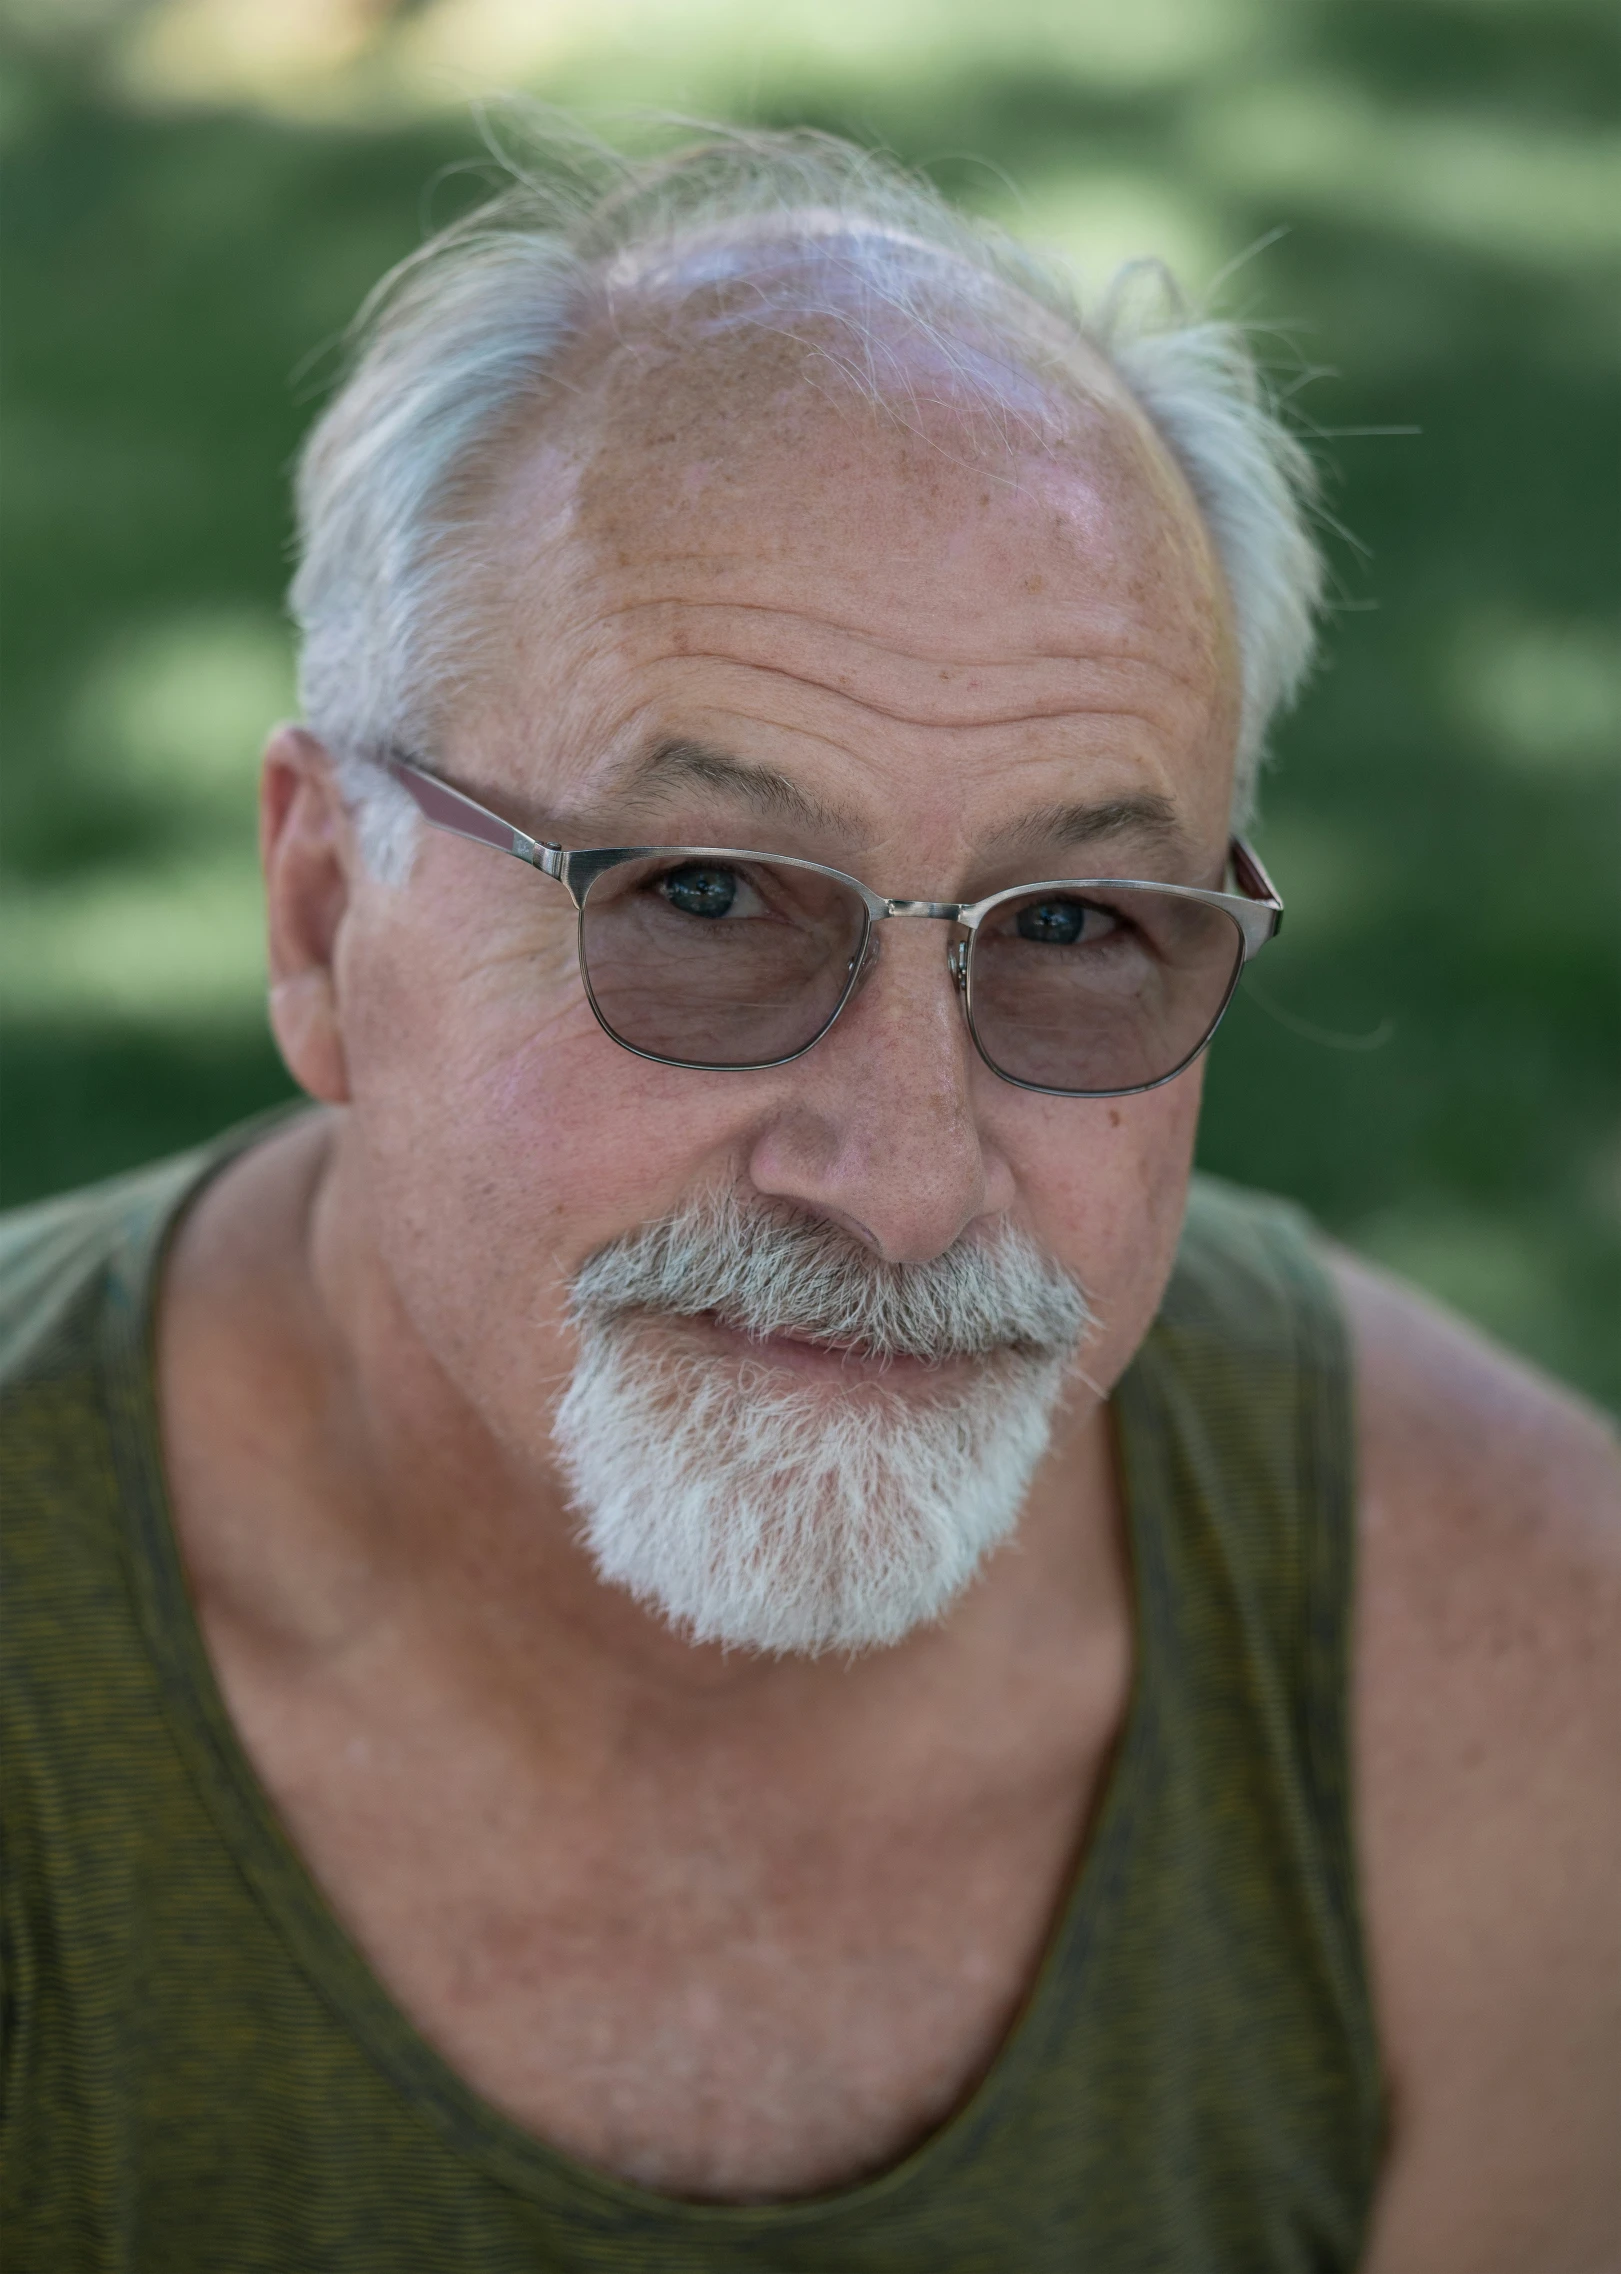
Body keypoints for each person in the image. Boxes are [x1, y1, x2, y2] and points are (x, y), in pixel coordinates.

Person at [3, 125, 1616, 2274]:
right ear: (319, 918)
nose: (907, 1182)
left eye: (1071, 929)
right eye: (700, 895)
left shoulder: (1525, 1682)